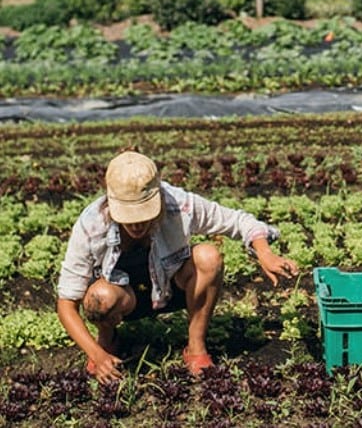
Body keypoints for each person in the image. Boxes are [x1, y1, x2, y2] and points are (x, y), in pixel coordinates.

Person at [56, 150, 298, 384]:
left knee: (209, 257)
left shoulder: (178, 205)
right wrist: (95, 354)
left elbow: (238, 221)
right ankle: (107, 341)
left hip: (170, 289)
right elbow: (67, 303)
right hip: (124, 300)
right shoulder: (91, 225)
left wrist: (265, 253)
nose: (138, 224)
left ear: (158, 195)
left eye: (144, 212)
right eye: (129, 215)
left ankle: (196, 347)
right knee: (98, 297)